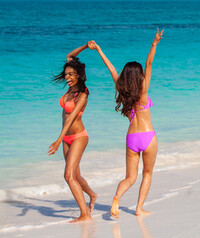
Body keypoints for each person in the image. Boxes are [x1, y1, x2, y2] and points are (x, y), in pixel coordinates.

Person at [90, 29, 163, 217]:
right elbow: (149, 63)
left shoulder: (122, 91)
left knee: (130, 177)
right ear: (139, 76)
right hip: (148, 136)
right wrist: (154, 44)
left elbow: (112, 69)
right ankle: (139, 209)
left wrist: (99, 49)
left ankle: (117, 198)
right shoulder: (143, 92)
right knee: (147, 174)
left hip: (131, 138)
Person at [47, 43, 98, 223]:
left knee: (68, 176)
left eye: (70, 74)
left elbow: (70, 119)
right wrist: (86, 46)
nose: (67, 77)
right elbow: (70, 55)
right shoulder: (70, 89)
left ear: (78, 75)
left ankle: (85, 214)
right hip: (66, 138)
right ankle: (92, 195)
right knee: (76, 176)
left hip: (78, 137)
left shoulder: (82, 95)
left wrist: (57, 139)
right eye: (66, 74)